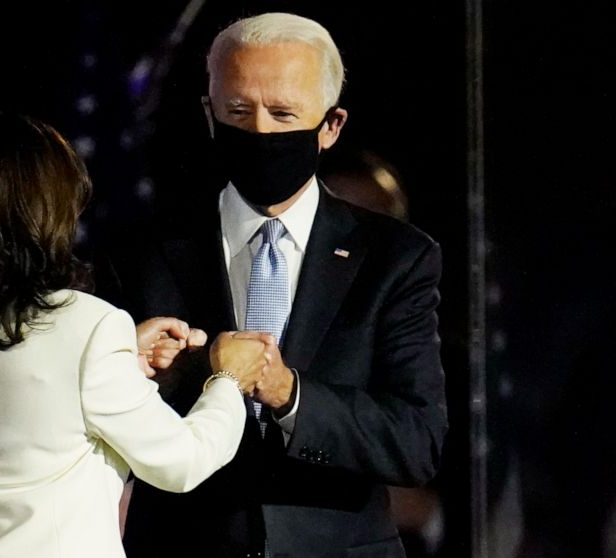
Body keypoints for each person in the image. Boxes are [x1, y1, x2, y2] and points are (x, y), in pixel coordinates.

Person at [110, 13, 449, 558]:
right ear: (209, 113)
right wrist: (153, 374)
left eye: (284, 113)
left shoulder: (396, 259)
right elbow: (104, 423)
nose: (262, 133)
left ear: (332, 125)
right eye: (240, 112)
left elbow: (414, 441)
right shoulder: (138, 251)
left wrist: (289, 393)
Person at [0, 110, 271, 558]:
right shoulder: (88, 326)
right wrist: (228, 381)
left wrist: (118, 358)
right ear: (46, 214)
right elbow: (183, 462)